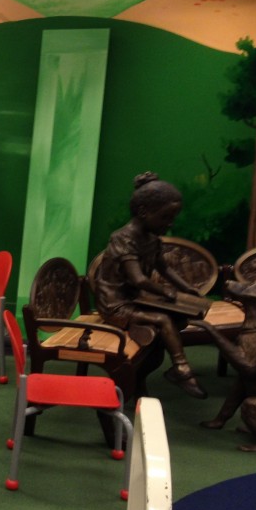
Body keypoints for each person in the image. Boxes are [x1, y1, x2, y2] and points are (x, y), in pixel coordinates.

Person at [93, 171, 208, 399]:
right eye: (166, 217)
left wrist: (186, 288)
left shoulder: (151, 239)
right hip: (115, 304)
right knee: (163, 319)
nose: (170, 223)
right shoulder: (123, 239)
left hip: (135, 298)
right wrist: (166, 291)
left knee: (177, 318)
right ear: (144, 213)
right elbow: (139, 279)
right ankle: (182, 370)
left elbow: (164, 268)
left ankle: (140, 376)